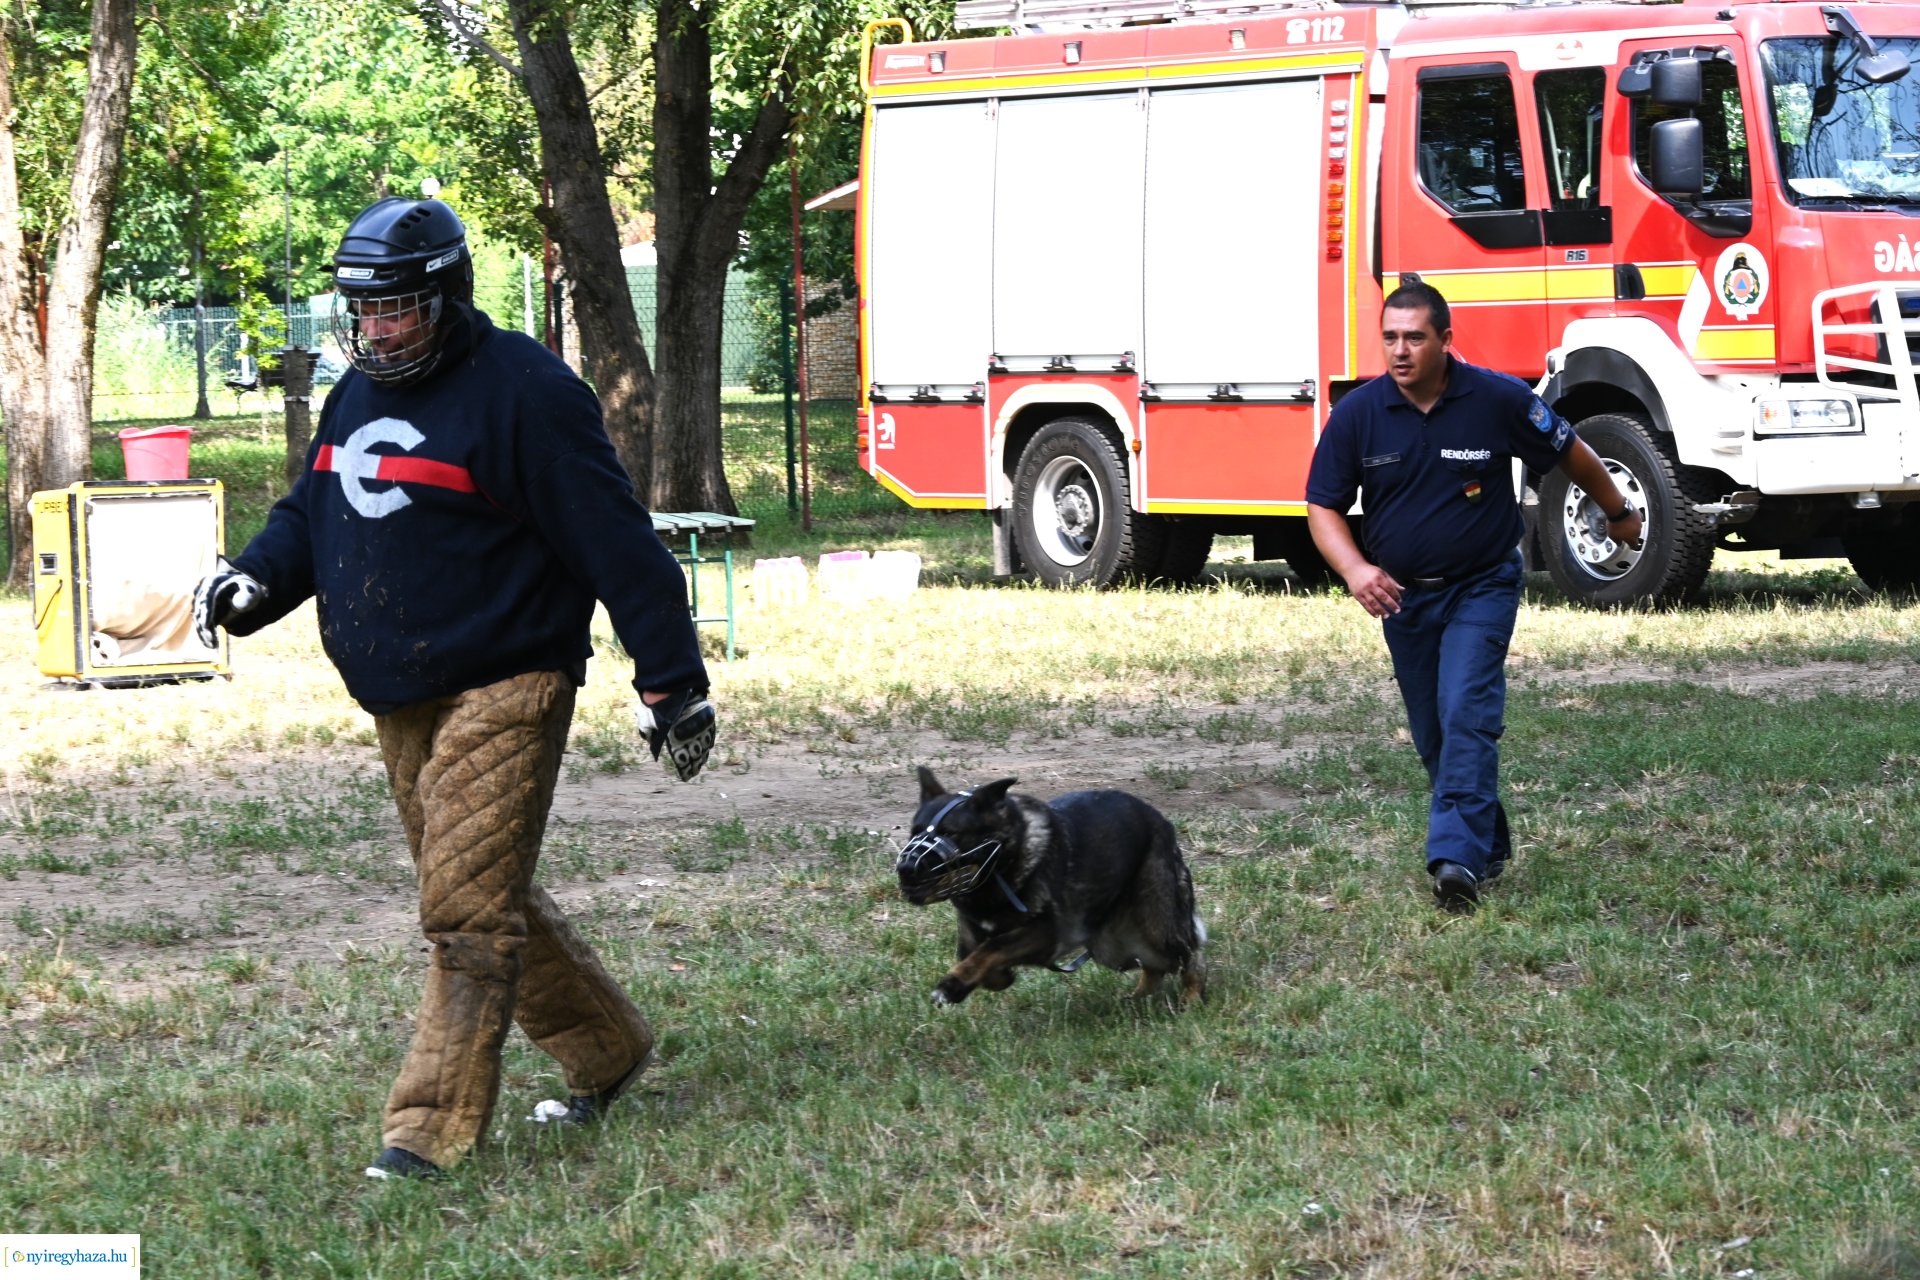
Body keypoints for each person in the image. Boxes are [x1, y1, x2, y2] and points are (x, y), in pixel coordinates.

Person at [191, 196, 718, 1179]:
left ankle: (424, 1132)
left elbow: (618, 542)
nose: (379, 331)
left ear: (448, 297)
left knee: (465, 912)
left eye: (399, 310)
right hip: (400, 691)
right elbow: (317, 505)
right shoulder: (358, 391)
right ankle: (606, 1045)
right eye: (365, 311)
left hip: (507, 677)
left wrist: (673, 682)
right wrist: (254, 579)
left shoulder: (527, 393)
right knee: (476, 888)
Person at [1304, 281, 1643, 911]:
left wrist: (1618, 510)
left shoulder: (1495, 399)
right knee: (1434, 734)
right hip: (1403, 600)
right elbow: (1322, 505)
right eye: (1390, 339)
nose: (1399, 352)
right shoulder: (1360, 413)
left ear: (1445, 340)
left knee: (1465, 711)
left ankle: (1455, 861)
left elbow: (1571, 451)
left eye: (1414, 338)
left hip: (1481, 585)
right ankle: (1484, 845)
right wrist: (1354, 570)